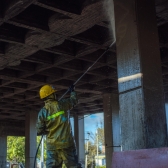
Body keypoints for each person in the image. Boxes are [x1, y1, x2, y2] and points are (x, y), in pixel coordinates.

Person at [36, 84, 82, 168]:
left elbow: (39, 130)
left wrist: (46, 129)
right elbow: (74, 100)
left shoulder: (42, 112)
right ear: (51, 95)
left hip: (52, 147)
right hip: (67, 144)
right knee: (74, 166)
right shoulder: (62, 104)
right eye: (54, 93)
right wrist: (72, 91)